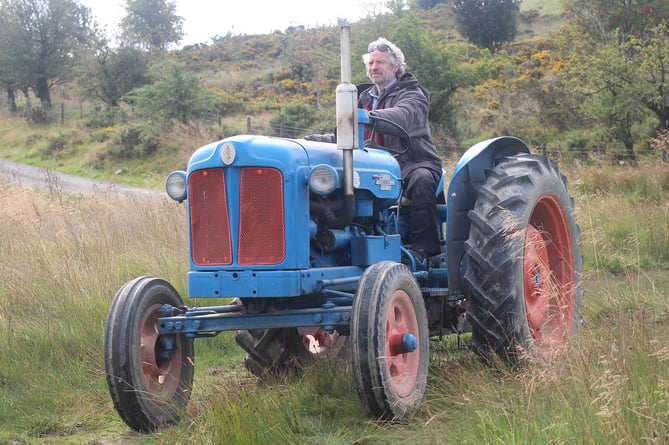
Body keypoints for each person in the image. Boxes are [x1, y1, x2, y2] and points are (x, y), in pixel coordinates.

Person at [359, 37, 442, 263]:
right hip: (369, 165)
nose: (374, 67)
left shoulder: (413, 94)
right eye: (371, 63)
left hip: (411, 163)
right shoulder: (363, 99)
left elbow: (403, 117)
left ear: (395, 67)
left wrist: (368, 117)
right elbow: (343, 134)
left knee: (422, 180)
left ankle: (425, 252)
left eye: (380, 62)